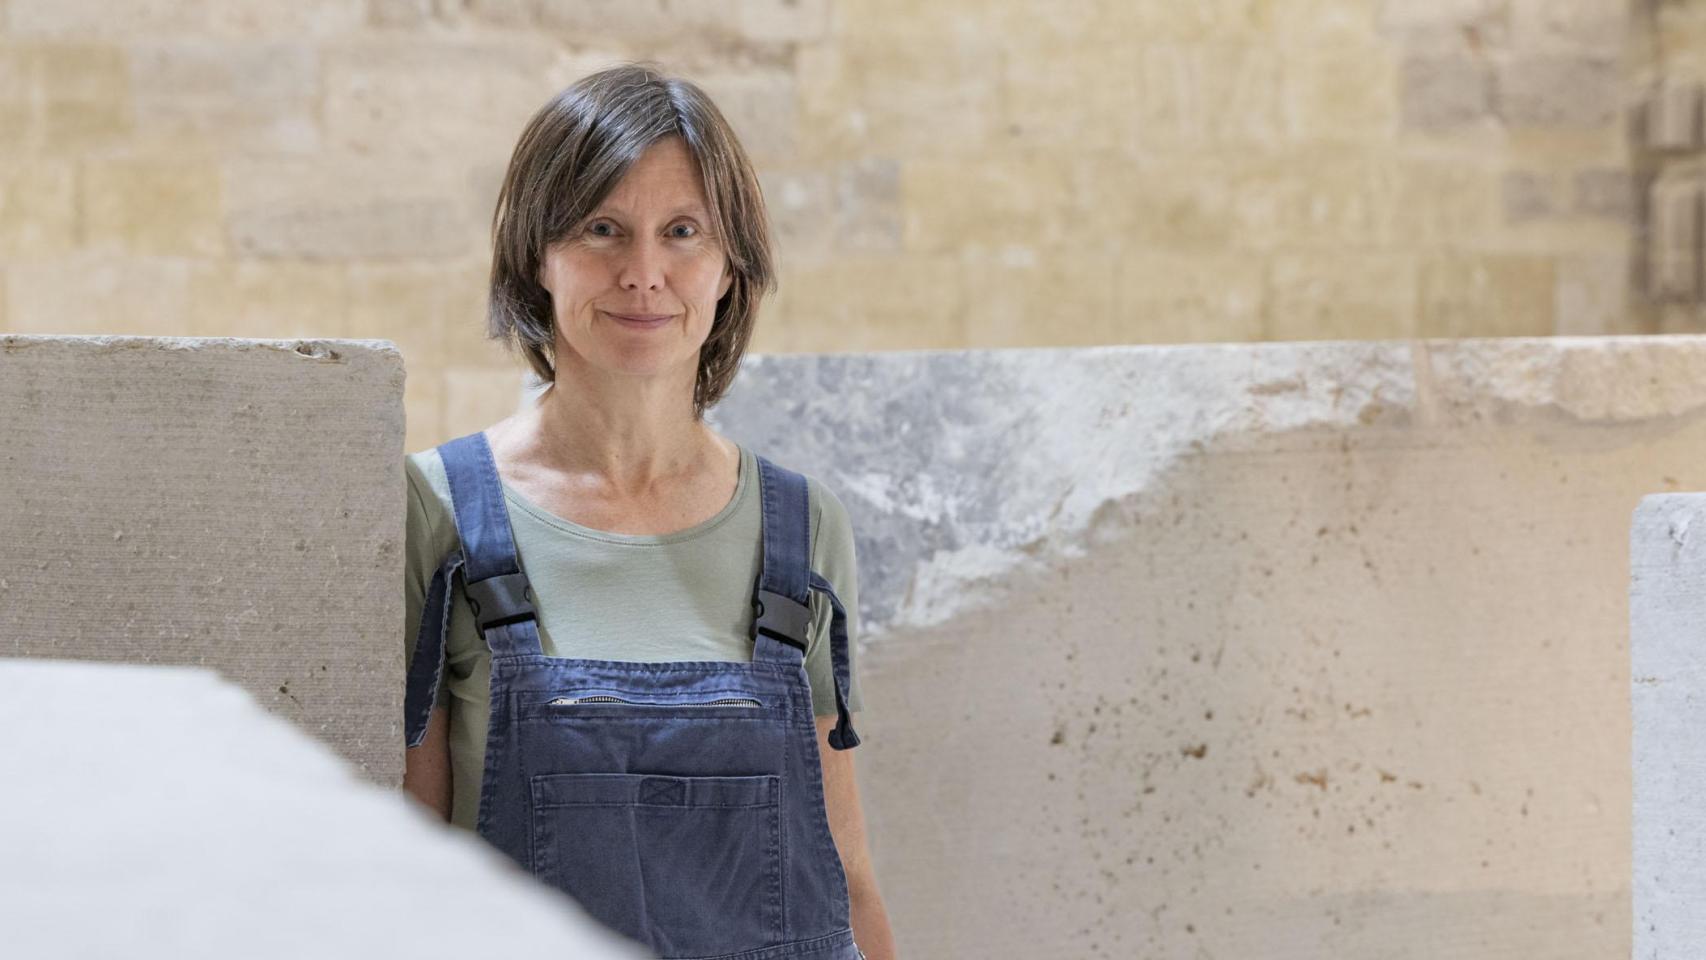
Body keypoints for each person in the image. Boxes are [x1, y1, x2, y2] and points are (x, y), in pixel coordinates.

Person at [399, 63, 896, 960]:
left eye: (683, 232)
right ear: (534, 257)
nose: (644, 273)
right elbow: (407, 873)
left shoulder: (804, 529)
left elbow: (850, 878)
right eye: (602, 229)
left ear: (729, 265)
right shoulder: (435, 511)